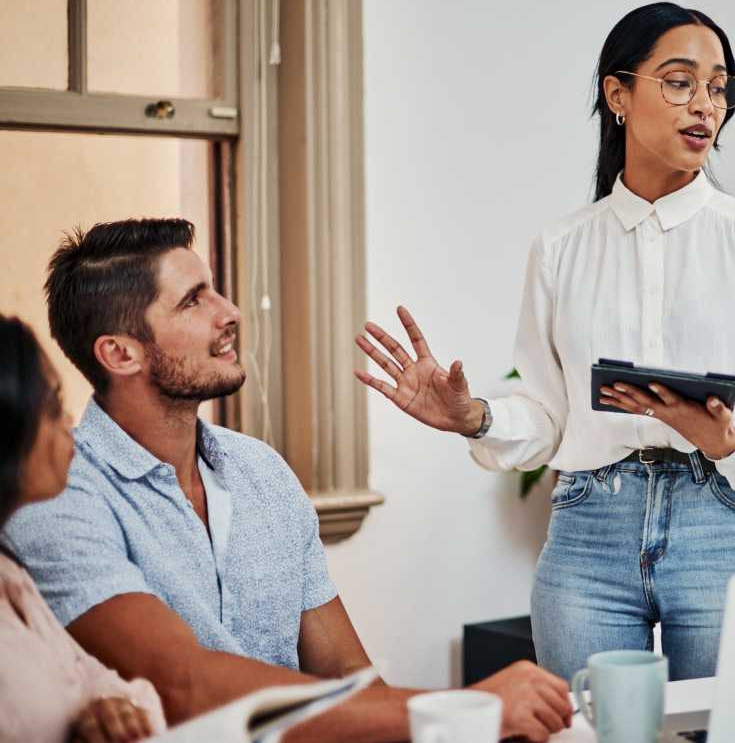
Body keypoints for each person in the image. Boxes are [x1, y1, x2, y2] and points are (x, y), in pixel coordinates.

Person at [356, 1, 735, 681]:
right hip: (588, 532)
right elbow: (548, 416)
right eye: (679, 80)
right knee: (587, 730)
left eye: (718, 86)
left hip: (720, 521)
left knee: (726, 731)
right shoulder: (559, 247)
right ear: (618, 94)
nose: (704, 104)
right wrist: (474, 416)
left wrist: (726, 437)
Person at [5, 219, 571, 743]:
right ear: (121, 353)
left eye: (215, 289)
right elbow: (183, 687)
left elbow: (352, 677)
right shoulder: (54, 494)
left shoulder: (262, 472)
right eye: (193, 301)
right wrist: (465, 710)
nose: (229, 312)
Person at [0, 315, 166, 743]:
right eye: (53, 405)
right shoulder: (60, 514)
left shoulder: (10, 575)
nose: (69, 421)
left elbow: (116, 687)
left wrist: (109, 710)